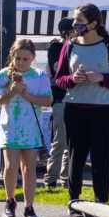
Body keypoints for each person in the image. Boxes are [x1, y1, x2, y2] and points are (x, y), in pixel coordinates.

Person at [55, 3, 109, 208]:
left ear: (94, 23)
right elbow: (59, 79)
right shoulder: (69, 45)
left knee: (100, 158)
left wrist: (101, 78)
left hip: (102, 109)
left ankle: (101, 203)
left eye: (79, 21)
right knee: (75, 158)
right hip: (75, 107)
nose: (75, 24)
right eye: (74, 20)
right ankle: (74, 202)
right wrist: (72, 79)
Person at [0, 39, 53, 217]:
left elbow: (48, 101)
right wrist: (12, 92)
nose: (21, 62)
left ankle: (29, 206)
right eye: (18, 58)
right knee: (10, 167)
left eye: (25, 59)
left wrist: (27, 95)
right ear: (12, 56)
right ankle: (10, 201)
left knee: (29, 168)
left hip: (31, 128)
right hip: (10, 126)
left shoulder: (40, 76)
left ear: (33, 58)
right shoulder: (3, 75)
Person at [44, 17, 74, 188]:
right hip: (60, 99)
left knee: (72, 141)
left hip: (75, 98)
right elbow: (58, 69)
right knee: (60, 139)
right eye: (74, 30)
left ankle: (66, 178)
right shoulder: (55, 47)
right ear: (65, 32)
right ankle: (51, 179)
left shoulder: (76, 46)